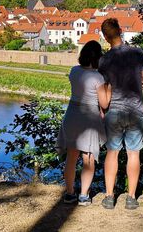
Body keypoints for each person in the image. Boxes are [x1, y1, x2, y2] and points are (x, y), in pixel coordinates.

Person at [98, 17, 143, 210]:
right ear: (120, 30)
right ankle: (130, 198)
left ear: (105, 37)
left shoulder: (104, 60)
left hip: (114, 111)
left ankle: (109, 197)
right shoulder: (137, 53)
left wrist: (102, 109)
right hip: (135, 110)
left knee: (112, 153)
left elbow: (103, 88)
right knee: (133, 153)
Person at [56, 40, 111, 205]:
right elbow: (104, 104)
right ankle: (83, 195)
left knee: (71, 157)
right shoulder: (98, 77)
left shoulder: (74, 71)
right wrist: (109, 87)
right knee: (88, 157)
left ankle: (69, 193)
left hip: (72, 114)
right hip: (89, 117)